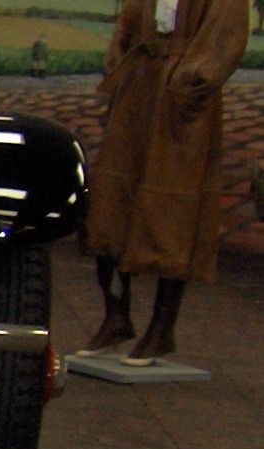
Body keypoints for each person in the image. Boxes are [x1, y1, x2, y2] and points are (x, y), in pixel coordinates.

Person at [83, 0, 253, 362]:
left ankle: (162, 328)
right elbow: (129, 22)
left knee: (174, 213)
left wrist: (190, 82)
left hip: (182, 102)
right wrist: (121, 65)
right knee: (112, 204)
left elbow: (225, 36)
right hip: (139, 88)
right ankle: (116, 316)